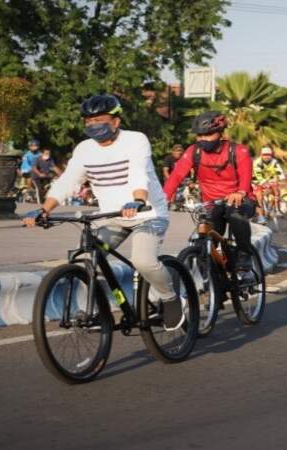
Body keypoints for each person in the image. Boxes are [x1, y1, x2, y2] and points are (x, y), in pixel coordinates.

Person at [22, 94, 183, 329]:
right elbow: (68, 181)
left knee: (143, 261)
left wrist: (138, 200)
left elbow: (138, 171)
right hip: (112, 217)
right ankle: (99, 310)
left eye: (99, 119)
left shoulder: (136, 140)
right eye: (88, 121)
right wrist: (44, 209)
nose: (93, 125)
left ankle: (170, 299)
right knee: (88, 259)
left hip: (148, 213)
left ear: (116, 121)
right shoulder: (85, 149)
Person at [162, 111, 256, 266]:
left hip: (240, 200)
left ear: (220, 133)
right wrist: (162, 199)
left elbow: (246, 177)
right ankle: (211, 278)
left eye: (208, 135)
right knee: (204, 239)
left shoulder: (239, 151)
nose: (203, 139)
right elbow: (176, 176)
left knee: (236, 216)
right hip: (211, 203)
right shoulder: (193, 151)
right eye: (199, 135)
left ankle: (244, 253)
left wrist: (240, 192)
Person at [252, 146, 285, 222]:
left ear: (271, 155)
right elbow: (258, 175)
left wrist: (280, 179)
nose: (266, 156)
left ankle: (271, 210)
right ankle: (260, 216)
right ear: (261, 155)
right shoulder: (257, 162)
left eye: (268, 155)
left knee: (276, 192)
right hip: (256, 181)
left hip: (269, 181)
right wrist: (265, 183)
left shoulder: (274, 162)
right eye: (264, 155)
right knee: (259, 196)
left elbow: (280, 173)